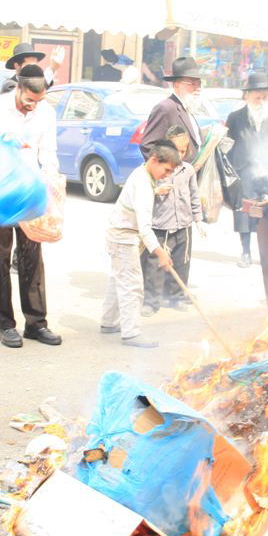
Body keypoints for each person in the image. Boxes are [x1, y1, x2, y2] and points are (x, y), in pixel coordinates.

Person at [0, 64, 62, 349]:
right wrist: (5, 141)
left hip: (31, 191)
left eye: (38, 102)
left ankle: (36, 323)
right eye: (29, 101)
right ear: (18, 87)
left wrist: (52, 183)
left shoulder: (46, 112)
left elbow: (48, 152)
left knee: (32, 256)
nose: (32, 107)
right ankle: (5, 324)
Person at [101, 140, 180, 348]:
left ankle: (108, 323)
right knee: (132, 285)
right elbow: (145, 227)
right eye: (167, 169)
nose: (168, 174)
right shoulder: (144, 184)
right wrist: (160, 252)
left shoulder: (142, 174)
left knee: (117, 279)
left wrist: (156, 191)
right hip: (124, 237)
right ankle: (131, 333)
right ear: (154, 160)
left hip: (119, 233)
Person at [140, 126, 202, 316]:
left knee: (181, 263)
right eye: (177, 151)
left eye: (184, 151)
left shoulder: (188, 170)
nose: (181, 155)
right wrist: (156, 191)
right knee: (155, 265)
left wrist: (198, 219)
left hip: (183, 224)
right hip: (161, 225)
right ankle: (151, 301)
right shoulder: (156, 170)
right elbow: (142, 194)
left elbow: (194, 195)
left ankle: (176, 297)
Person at [225, 72, 268, 268]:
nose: (261, 100)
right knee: (244, 213)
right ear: (247, 96)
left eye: (265, 96)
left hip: (266, 172)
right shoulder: (235, 118)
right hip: (244, 171)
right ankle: (246, 252)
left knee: (267, 212)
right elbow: (228, 146)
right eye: (257, 96)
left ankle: (267, 254)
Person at [140, 56, 203, 163]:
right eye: (192, 84)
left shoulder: (187, 108)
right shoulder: (166, 108)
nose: (197, 88)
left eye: (199, 84)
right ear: (177, 84)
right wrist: (170, 170)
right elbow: (148, 146)